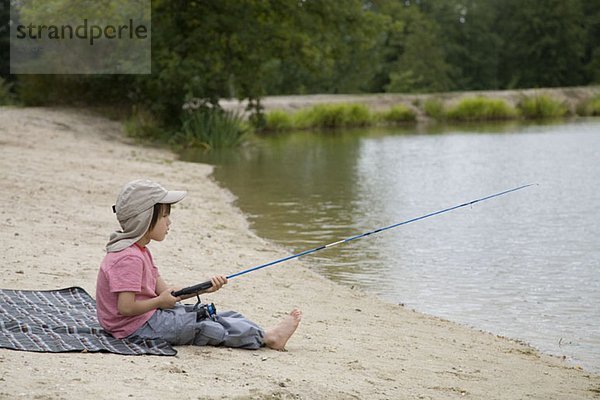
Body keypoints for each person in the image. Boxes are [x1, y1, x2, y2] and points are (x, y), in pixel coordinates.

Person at [96, 179, 301, 350]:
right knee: (204, 325)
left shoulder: (140, 251)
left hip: (146, 317)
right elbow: (126, 307)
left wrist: (204, 288)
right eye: (165, 216)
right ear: (144, 219)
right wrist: (159, 302)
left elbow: (167, 293)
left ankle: (264, 333)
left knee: (214, 313)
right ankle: (267, 338)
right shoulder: (128, 258)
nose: (169, 223)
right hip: (134, 327)